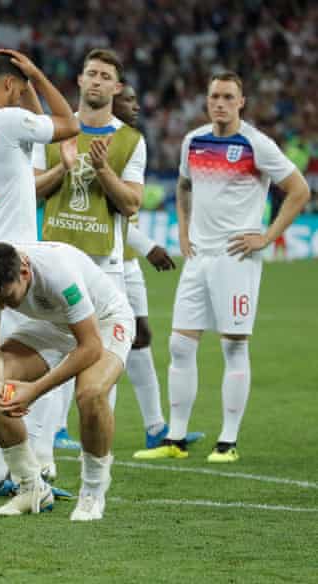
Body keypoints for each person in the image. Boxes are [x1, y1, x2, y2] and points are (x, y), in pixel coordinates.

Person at [133, 72, 310, 463]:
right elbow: (184, 186)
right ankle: (175, 439)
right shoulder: (193, 141)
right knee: (180, 345)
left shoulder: (256, 144)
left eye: (229, 97)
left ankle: (227, 442)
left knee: (233, 345)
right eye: (215, 96)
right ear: (207, 100)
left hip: (236, 258)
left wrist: (267, 236)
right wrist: (183, 230)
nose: (220, 103)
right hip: (199, 257)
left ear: (241, 102)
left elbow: (299, 190)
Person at [0, 49, 78, 498]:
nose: (23, 97)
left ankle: (2, 471)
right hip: (14, 260)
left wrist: (27, 90)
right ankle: (28, 470)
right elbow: (69, 124)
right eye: (20, 90)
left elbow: (36, 136)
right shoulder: (8, 122)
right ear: (9, 84)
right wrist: (38, 75)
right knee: (36, 359)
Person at [0, 241, 134, 521]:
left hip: (104, 321)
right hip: (53, 324)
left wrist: (34, 390)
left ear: (24, 272)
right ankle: (30, 487)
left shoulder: (57, 272)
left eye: (7, 298)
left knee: (91, 393)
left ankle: (92, 493)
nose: (1, 307)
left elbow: (90, 346)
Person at [33, 49, 145, 456]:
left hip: (104, 268)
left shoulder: (130, 140)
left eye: (105, 76)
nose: (97, 81)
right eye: (91, 73)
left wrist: (102, 169)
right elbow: (30, 190)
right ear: (79, 80)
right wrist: (62, 168)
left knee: (100, 370)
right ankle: (43, 461)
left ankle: (94, 458)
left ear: (116, 88)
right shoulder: (53, 131)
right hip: (54, 263)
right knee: (50, 361)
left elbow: (131, 204)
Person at [112, 84, 205, 449]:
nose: (136, 106)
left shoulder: (132, 142)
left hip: (128, 261)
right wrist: (149, 246)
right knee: (92, 344)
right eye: (128, 100)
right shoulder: (98, 144)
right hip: (101, 259)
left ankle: (155, 428)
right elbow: (103, 216)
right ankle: (57, 428)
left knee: (141, 337)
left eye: (137, 99)